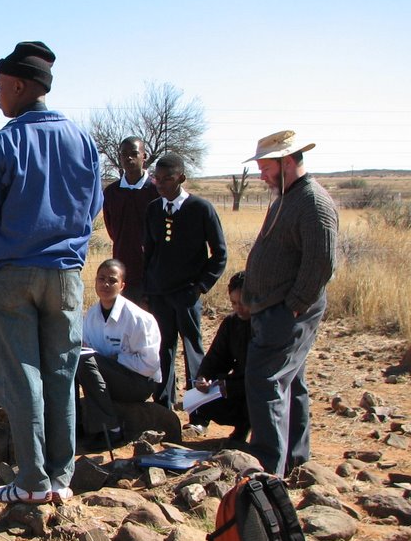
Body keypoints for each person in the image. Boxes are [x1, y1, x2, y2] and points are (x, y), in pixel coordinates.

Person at [0, 40, 103, 505]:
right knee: (61, 372)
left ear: (20, 85)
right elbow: (93, 207)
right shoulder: (83, 140)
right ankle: (62, 479)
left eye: (0, 86)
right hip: (65, 274)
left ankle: (32, 482)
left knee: (22, 378)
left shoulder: (2, 143)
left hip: (12, 277)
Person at [242, 130, 338, 476]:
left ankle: (269, 469)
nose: (262, 175)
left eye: (266, 167)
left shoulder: (313, 202)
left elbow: (322, 262)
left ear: (286, 162)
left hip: (287, 310)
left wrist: (294, 306)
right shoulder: (286, 197)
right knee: (291, 382)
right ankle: (295, 459)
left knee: (266, 381)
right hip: (272, 308)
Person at [143, 153, 227, 408]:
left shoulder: (200, 208)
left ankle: (198, 410)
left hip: (187, 294)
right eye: (157, 178)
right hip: (159, 294)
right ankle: (163, 405)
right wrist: (148, 290)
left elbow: (220, 253)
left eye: (167, 178)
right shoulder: (153, 209)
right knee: (162, 348)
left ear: (181, 177)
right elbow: (149, 252)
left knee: (193, 350)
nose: (161, 183)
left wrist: (201, 286)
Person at [77, 259, 161, 449]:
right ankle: (77, 424)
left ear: (122, 285)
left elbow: (150, 365)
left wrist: (116, 360)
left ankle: (111, 430)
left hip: (138, 383)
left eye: (112, 280)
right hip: (107, 378)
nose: (106, 284)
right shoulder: (91, 316)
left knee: (86, 362)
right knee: (76, 360)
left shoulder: (137, 318)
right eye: (101, 279)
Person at [188, 271, 252, 441]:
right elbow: (216, 358)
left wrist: (231, 386)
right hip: (236, 386)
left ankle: (246, 431)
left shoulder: (266, 324)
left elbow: (264, 375)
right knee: (201, 398)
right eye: (233, 303)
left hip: (256, 388)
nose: (239, 307)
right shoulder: (232, 323)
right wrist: (204, 377)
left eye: (243, 302)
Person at [102, 137, 159, 303]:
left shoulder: (156, 191)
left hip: (152, 271)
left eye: (134, 153)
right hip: (122, 269)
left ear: (144, 156)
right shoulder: (112, 192)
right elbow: (112, 229)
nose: (129, 158)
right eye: (124, 154)